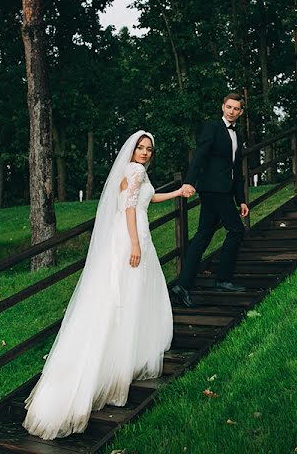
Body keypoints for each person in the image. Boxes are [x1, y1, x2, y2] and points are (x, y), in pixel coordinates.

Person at [23, 130, 190, 439]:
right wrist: (136, 243)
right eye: (140, 148)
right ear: (131, 150)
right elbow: (129, 208)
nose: (144, 153)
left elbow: (148, 198)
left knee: (120, 298)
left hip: (124, 234)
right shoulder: (135, 170)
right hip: (131, 235)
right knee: (127, 297)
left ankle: (118, 360)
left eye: (149, 149)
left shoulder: (133, 172)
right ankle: (118, 365)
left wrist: (178, 192)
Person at [171, 93, 249, 308]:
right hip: (213, 190)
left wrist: (241, 199)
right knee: (236, 230)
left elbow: (237, 170)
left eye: (236, 109)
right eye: (229, 107)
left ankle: (183, 285)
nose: (232, 111)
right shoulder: (212, 127)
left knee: (203, 236)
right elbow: (200, 156)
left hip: (225, 190)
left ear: (241, 112)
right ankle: (223, 279)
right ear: (222, 107)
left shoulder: (237, 135)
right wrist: (189, 182)